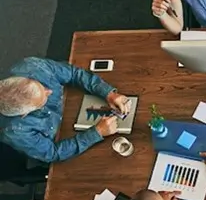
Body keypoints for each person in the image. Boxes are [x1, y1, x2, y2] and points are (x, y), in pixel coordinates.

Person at [0, 57, 129, 163]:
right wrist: (97, 133)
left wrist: (108, 94)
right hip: (61, 140)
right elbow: (53, 153)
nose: (49, 91)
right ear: (24, 114)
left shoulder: (33, 67)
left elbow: (74, 74)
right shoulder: (15, 132)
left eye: (42, 86)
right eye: (44, 98)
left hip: (73, 101)